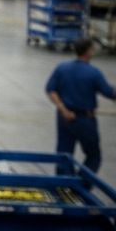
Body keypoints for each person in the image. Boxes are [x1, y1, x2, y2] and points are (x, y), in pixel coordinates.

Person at [46, 37, 114, 176]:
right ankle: (81, 185)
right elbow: (109, 92)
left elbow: (50, 90)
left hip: (64, 118)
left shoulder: (62, 68)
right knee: (94, 156)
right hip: (84, 120)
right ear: (89, 52)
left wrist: (63, 110)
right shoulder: (93, 73)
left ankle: (64, 188)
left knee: (63, 155)